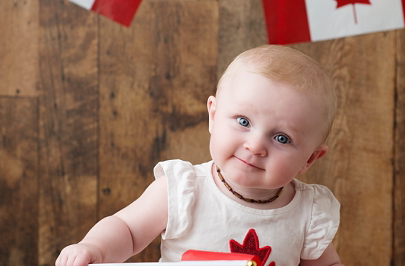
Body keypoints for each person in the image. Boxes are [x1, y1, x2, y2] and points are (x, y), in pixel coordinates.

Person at [56, 45, 343, 266]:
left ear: (309, 159)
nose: (255, 146)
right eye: (243, 122)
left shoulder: (308, 212)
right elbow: (127, 230)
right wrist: (94, 248)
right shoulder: (184, 189)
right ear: (213, 116)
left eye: (282, 138)